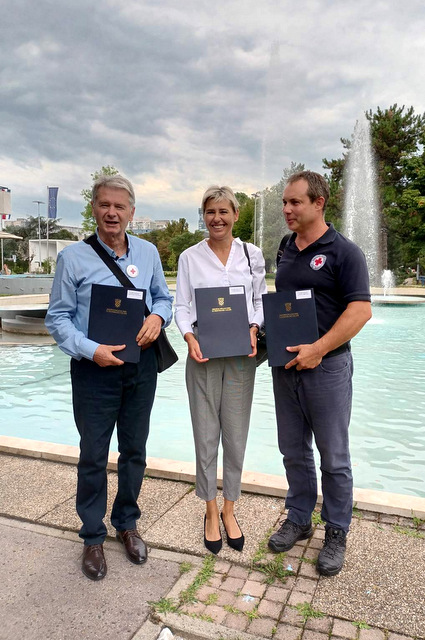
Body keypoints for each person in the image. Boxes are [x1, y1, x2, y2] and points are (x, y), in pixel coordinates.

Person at [45, 174, 173, 581]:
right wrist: (90, 349)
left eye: (120, 206)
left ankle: (127, 522)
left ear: (132, 212)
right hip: (93, 370)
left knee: (134, 450)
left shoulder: (148, 252)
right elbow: (57, 318)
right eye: (104, 205)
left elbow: (164, 298)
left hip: (140, 366)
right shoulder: (73, 258)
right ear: (94, 209)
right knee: (93, 454)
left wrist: (158, 317)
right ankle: (92, 536)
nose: (112, 213)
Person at [268, 171, 372, 576]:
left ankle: (336, 530)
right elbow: (284, 303)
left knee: (334, 456)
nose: (286, 209)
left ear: (318, 203)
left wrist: (318, 349)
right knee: (293, 450)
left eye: (295, 202)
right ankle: (299, 517)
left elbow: (360, 311)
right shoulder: (285, 247)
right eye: (284, 202)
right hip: (286, 365)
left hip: (327, 367)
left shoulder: (345, 252)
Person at [175, 185, 267, 554]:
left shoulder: (251, 254)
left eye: (223, 211)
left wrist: (254, 326)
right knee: (205, 434)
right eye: (210, 212)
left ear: (235, 215)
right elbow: (182, 306)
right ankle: (210, 511)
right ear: (204, 216)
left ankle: (230, 508)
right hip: (203, 351)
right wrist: (188, 337)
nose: (217, 218)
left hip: (241, 352)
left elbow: (260, 300)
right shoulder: (190, 257)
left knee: (236, 433)